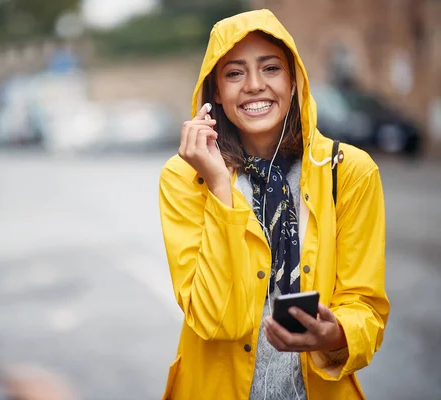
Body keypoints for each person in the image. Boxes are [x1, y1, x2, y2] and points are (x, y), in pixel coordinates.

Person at [158, 9, 389, 400]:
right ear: (215, 90)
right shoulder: (185, 178)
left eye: (270, 68)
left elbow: (364, 306)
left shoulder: (348, 172)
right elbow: (217, 319)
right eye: (234, 73)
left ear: (294, 81)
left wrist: (334, 334)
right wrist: (218, 186)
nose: (253, 85)